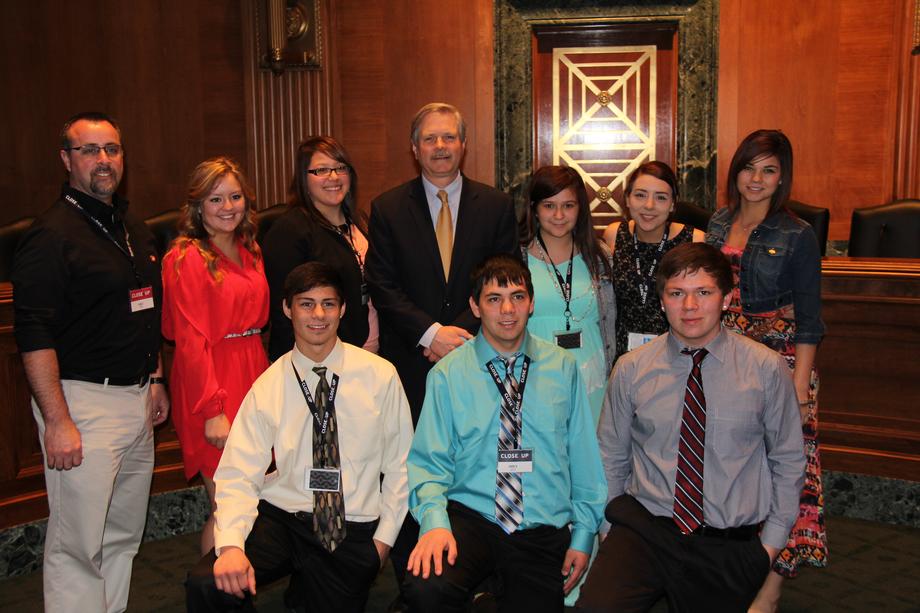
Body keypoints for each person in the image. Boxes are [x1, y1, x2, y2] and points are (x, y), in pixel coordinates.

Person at [577, 243, 806, 612]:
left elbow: (789, 459)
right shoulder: (632, 368)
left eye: (703, 292)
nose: (689, 306)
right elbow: (611, 454)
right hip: (645, 530)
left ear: (726, 299)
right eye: (677, 293)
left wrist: (770, 548)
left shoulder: (766, 369)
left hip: (726, 542)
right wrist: (609, 529)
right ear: (662, 300)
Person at [185, 262, 413, 612]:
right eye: (306, 304)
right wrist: (230, 546)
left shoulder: (379, 376)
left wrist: (382, 543)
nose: (318, 315)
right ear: (287, 308)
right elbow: (238, 473)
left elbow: (401, 465)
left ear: (343, 309)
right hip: (284, 518)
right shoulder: (269, 384)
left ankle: (304, 592)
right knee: (208, 583)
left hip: (350, 526)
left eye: (328, 304)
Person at [12, 111, 169, 613]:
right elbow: (33, 333)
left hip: (136, 399)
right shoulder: (50, 235)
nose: (104, 160)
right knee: (77, 544)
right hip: (82, 404)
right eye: (90, 150)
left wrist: (157, 381)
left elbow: (145, 310)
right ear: (66, 159)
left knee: (123, 534)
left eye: (112, 149)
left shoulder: (133, 228)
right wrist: (56, 420)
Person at [365, 102, 518, 590]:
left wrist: (458, 333)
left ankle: (485, 573)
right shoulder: (388, 207)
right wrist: (431, 334)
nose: (440, 147)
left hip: (478, 358)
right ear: (414, 149)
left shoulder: (495, 206)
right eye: (429, 139)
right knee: (412, 465)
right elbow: (382, 284)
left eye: (449, 138)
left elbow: (502, 277)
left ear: (463, 145)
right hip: (411, 362)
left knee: (478, 458)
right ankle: (416, 582)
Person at [404, 254, 606, 612]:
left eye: (517, 296)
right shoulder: (448, 375)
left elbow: (584, 458)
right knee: (426, 587)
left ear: (531, 303)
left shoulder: (563, 368)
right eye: (494, 299)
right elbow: (429, 463)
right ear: (475, 306)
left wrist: (584, 533)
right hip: (474, 517)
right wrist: (434, 523)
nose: (508, 309)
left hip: (541, 525)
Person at [705, 129, 826, 613]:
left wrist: (799, 389)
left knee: (784, 475)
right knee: (733, 472)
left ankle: (771, 588)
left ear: (782, 178)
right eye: (749, 167)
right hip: (723, 362)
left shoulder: (797, 234)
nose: (756, 179)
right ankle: (732, 569)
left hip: (778, 370)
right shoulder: (716, 222)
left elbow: (811, 320)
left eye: (769, 170)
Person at [161, 157, 270, 555]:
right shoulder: (186, 257)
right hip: (212, 381)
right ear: (197, 206)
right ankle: (212, 593)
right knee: (228, 504)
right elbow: (188, 341)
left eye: (235, 196)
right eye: (216, 199)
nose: (228, 207)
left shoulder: (250, 248)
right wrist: (212, 410)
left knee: (252, 498)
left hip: (252, 370)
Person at [263, 136, 377, 361]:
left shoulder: (358, 222)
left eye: (340, 168)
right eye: (321, 170)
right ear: (303, 179)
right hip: (320, 360)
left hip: (367, 353)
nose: (333, 177)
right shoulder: (290, 231)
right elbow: (284, 309)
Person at [520, 165, 615, 423]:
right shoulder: (516, 258)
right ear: (534, 208)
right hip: (532, 381)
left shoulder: (601, 257)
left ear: (580, 208)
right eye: (549, 205)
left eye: (568, 205)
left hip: (592, 382)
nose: (559, 215)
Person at [603, 161, 704, 360]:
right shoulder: (615, 234)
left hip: (678, 353)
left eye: (660, 197)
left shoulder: (695, 239)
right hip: (624, 355)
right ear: (627, 199)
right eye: (640, 195)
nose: (649, 206)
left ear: (673, 204)